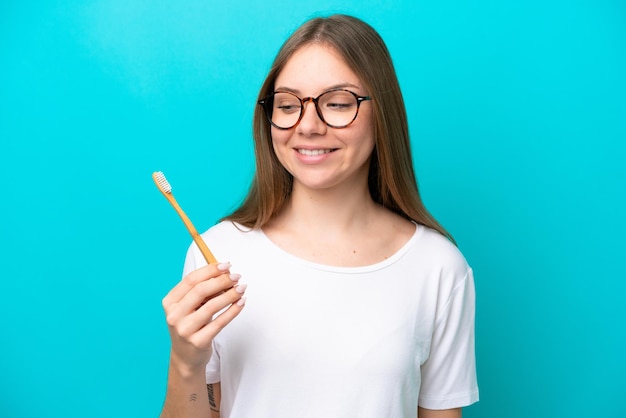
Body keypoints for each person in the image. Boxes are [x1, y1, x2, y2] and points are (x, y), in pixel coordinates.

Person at [160, 14, 478, 418]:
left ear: (383, 113)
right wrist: (186, 362)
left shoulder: (438, 268)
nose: (307, 126)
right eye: (288, 105)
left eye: (339, 104)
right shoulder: (217, 254)